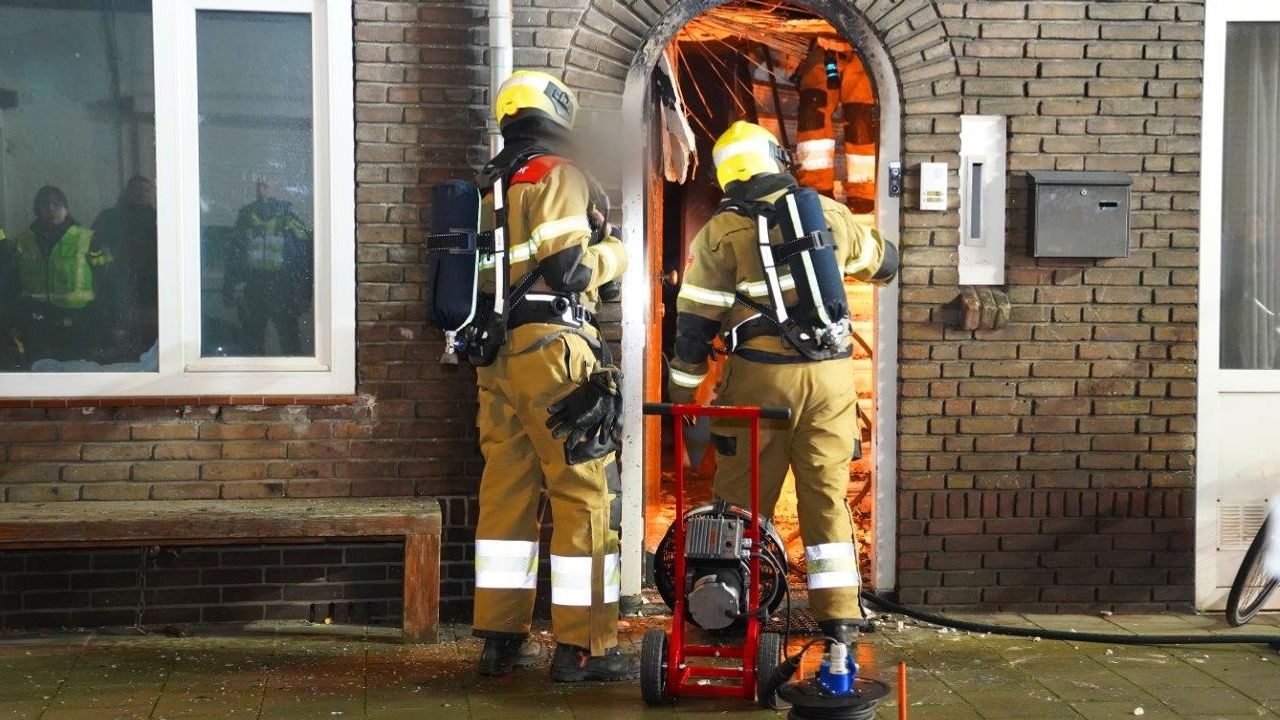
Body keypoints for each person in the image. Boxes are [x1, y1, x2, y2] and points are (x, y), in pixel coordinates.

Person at [668, 121, 897, 648]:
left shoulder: (720, 233)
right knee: (825, 495)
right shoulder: (827, 215)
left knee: (741, 500)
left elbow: (694, 327)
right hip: (830, 379)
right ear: (776, 159)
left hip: (758, 382)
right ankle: (839, 617)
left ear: (728, 175)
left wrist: (687, 399)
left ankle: (728, 611)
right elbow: (885, 264)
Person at [468, 70, 635, 682]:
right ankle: (585, 647)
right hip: (554, 352)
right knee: (583, 493)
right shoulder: (554, 174)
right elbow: (569, 272)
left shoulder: (487, 188)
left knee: (506, 496)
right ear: (557, 112)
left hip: (495, 360)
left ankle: (499, 641)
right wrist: (615, 253)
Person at [5, 186, 111, 364]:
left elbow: (106, 278)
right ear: (37, 210)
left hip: (77, 319)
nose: (51, 209)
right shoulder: (23, 240)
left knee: (75, 370)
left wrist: (104, 316)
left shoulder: (87, 238)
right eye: (45, 204)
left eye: (57, 204)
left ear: (67, 209)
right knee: (38, 369)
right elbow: (13, 280)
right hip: (36, 318)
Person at [225, 176, 313, 356]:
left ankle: (294, 379)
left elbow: (305, 256)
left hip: (283, 288)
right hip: (254, 287)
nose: (261, 188)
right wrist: (229, 287)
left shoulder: (288, 218)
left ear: (277, 188)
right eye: (258, 184)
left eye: (266, 184)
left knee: (289, 339)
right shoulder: (246, 217)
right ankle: (252, 378)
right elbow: (234, 254)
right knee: (252, 339)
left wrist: (305, 293)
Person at [794, 41, 878, 213]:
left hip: (863, 49)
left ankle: (863, 194)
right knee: (813, 113)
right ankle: (816, 189)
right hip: (824, 45)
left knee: (861, 118)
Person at [92, 175, 158, 362]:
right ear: (127, 191)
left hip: (151, 283)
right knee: (119, 330)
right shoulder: (110, 218)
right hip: (119, 281)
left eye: (146, 190)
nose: (141, 193)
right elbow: (94, 248)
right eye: (136, 189)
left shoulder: (159, 220)